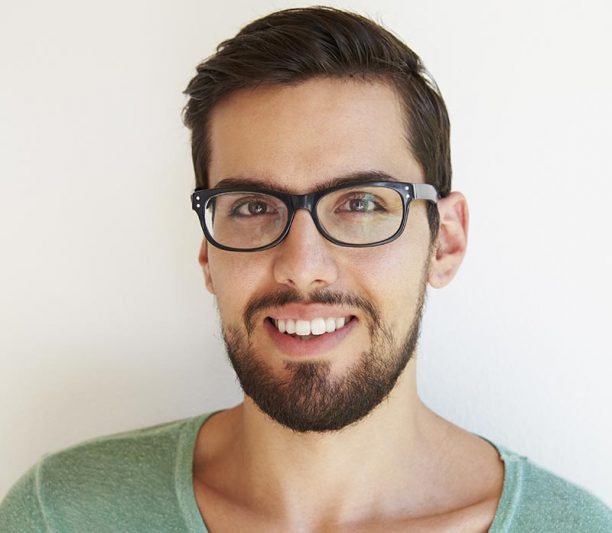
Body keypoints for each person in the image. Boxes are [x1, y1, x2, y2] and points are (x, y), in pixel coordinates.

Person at [1, 6, 610, 532]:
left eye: (361, 204)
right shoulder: (59, 515)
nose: (302, 267)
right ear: (208, 253)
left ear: (444, 243)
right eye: (253, 207)